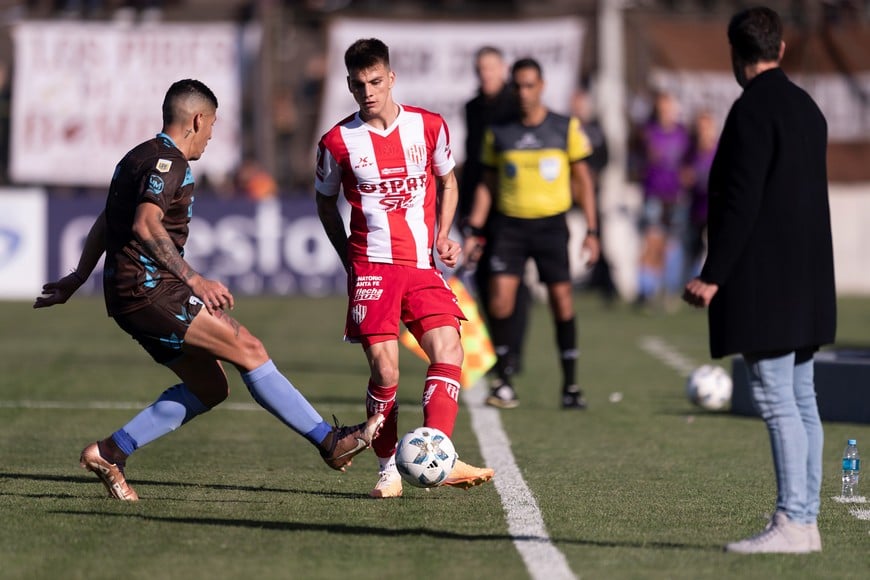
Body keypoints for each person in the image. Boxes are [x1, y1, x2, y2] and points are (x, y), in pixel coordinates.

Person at [33, 79, 384, 502]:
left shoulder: (135, 157)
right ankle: (330, 443)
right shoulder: (171, 163)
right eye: (213, 124)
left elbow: (109, 221)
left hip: (128, 295)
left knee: (210, 388)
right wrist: (194, 279)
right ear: (197, 119)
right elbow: (145, 223)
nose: (212, 135)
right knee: (250, 350)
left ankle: (110, 452)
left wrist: (77, 277)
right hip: (150, 290)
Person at [683, 6, 836, 554]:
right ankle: (806, 520)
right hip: (809, 282)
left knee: (778, 403)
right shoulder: (807, 107)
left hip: (767, 286)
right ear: (781, 49)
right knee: (803, 400)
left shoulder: (751, 111)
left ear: (736, 54)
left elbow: (741, 200)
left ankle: (795, 522)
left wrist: (713, 275)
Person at [315, 38, 495, 499]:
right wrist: (347, 257)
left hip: (420, 264)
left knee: (449, 350)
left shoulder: (429, 126)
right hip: (372, 267)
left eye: (376, 81)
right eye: (358, 85)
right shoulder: (337, 142)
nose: (368, 91)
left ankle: (442, 454)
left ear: (391, 77)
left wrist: (443, 235)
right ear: (350, 86)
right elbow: (324, 201)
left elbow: (448, 182)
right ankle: (387, 470)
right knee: (386, 370)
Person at [463, 57, 600, 410]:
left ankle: (570, 384)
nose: (523, 92)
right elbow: (487, 186)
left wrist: (591, 230)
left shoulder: (564, 127)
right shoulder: (499, 131)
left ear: (541, 87)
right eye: (518, 86)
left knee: (561, 301)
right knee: (499, 301)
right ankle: (505, 381)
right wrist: (475, 230)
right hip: (508, 227)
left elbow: (584, 180)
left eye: (529, 85)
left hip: (551, 227)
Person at [459, 46, 530, 407]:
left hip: (511, 206)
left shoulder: (514, 105)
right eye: (479, 67)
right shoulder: (472, 108)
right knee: (485, 282)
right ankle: (499, 351)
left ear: (502, 68)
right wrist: (467, 213)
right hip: (478, 203)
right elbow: (474, 161)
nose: (485, 73)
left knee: (511, 284)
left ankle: (510, 354)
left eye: (490, 67)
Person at [634, 90, 691, 311]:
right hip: (654, 195)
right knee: (652, 241)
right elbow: (637, 158)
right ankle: (647, 290)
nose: (666, 112)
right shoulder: (648, 132)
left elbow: (690, 162)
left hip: (676, 196)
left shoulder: (683, 134)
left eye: (669, 107)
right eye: (662, 107)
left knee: (671, 245)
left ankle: (668, 290)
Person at [680, 109, 717, 281]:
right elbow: (684, 177)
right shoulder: (691, 152)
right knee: (692, 250)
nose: (703, 131)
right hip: (696, 210)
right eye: (700, 127)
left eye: (706, 127)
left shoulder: (720, 149)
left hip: (715, 209)